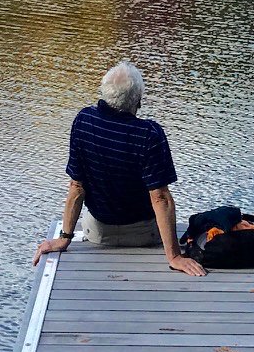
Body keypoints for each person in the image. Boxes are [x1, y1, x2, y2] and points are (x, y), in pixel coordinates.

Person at [31, 61, 206, 277]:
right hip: (144, 235)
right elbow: (160, 198)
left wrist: (65, 238)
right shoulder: (149, 134)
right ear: (138, 100)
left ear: (104, 93)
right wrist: (175, 257)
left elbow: (77, 186)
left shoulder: (84, 121)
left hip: (97, 232)